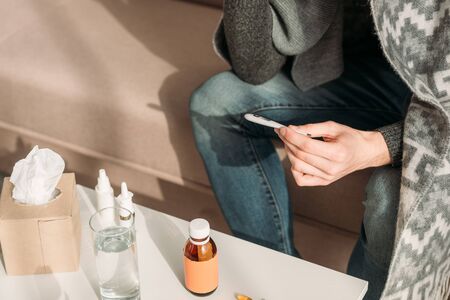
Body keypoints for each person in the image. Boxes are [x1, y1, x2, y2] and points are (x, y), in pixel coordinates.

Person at [190, 1, 414, 299]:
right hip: (368, 76)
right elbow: (254, 68)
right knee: (215, 103)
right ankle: (281, 286)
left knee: (390, 196)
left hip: (437, 104)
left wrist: (380, 146)